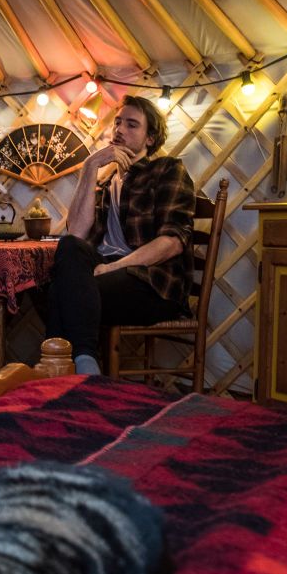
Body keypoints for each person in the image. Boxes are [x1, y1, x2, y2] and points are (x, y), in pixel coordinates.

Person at [47, 94, 195, 375]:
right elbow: (76, 233)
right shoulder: (107, 181)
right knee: (67, 252)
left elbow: (172, 243)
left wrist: (112, 267)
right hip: (107, 274)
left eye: (132, 125)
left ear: (150, 138)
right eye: (117, 123)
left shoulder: (166, 170)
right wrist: (90, 167)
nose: (119, 130)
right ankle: (81, 367)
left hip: (151, 284)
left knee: (59, 293)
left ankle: (64, 373)